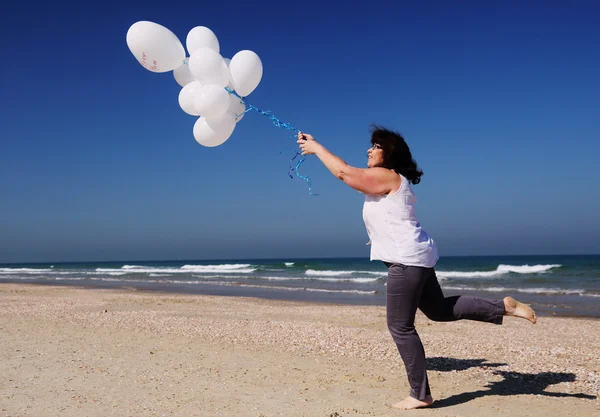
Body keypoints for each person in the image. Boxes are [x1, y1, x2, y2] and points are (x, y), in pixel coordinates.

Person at [296, 126, 536, 410]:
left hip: (406, 259)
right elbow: (351, 175)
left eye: (375, 146)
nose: (369, 150)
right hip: (415, 256)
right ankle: (501, 306)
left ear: (390, 152)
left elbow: (345, 173)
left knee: (399, 325)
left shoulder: (388, 176)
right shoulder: (391, 179)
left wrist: (317, 148)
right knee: (437, 310)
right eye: (370, 146)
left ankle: (420, 394)